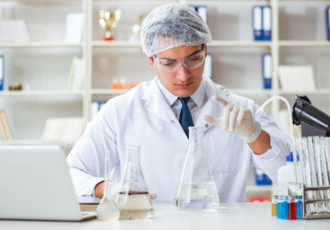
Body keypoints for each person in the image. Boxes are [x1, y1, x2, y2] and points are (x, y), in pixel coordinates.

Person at [67, 3, 290, 203]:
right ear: (151, 61)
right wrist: (107, 188)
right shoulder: (119, 112)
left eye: (193, 59)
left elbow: (292, 174)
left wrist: (254, 136)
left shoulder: (242, 111)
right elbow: (71, 172)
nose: (183, 75)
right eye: (169, 63)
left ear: (205, 51)